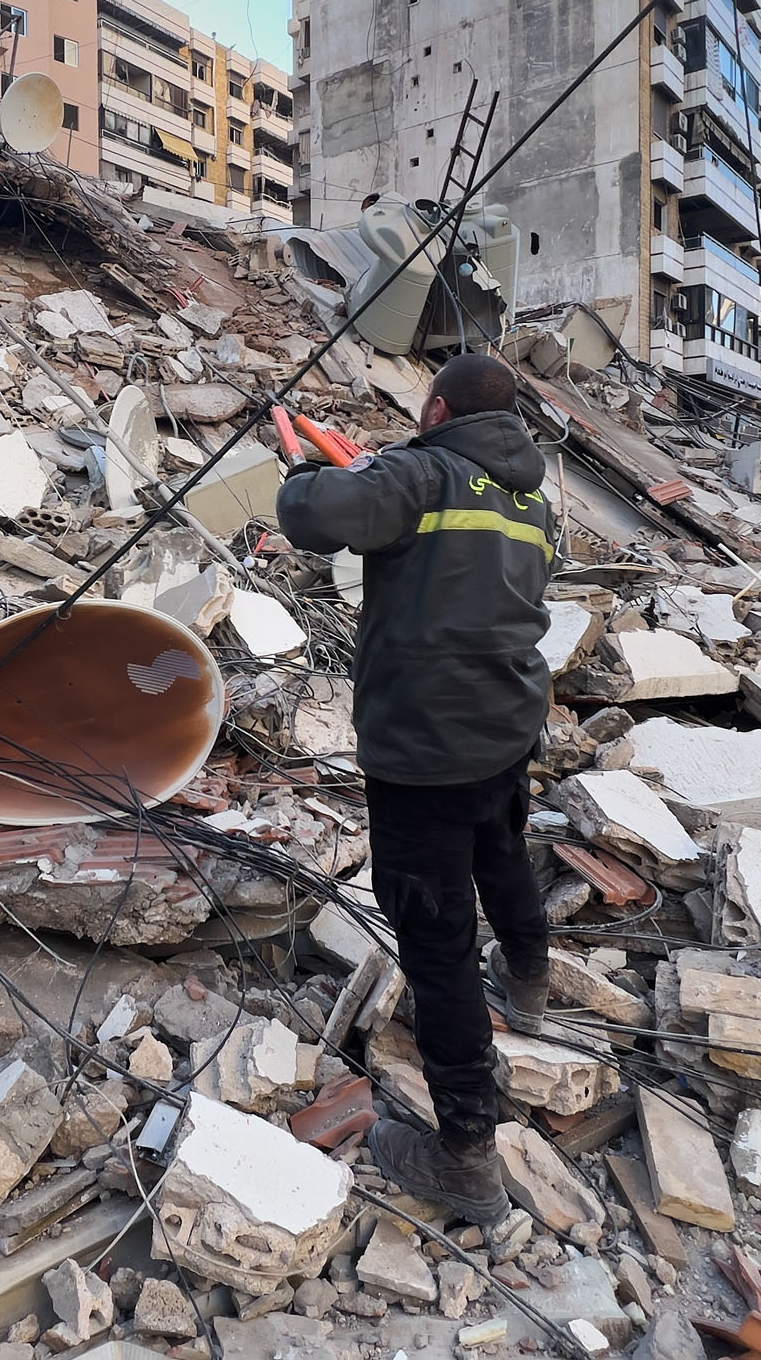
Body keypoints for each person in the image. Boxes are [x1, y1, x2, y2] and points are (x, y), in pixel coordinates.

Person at [275, 352, 555, 1225]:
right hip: (505, 726)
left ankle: (466, 1154)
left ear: (436, 410)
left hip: (424, 746)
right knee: (502, 849)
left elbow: (312, 517)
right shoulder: (532, 502)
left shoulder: (422, 474)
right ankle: (531, 980)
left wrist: (301, 469)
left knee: (435, 940)